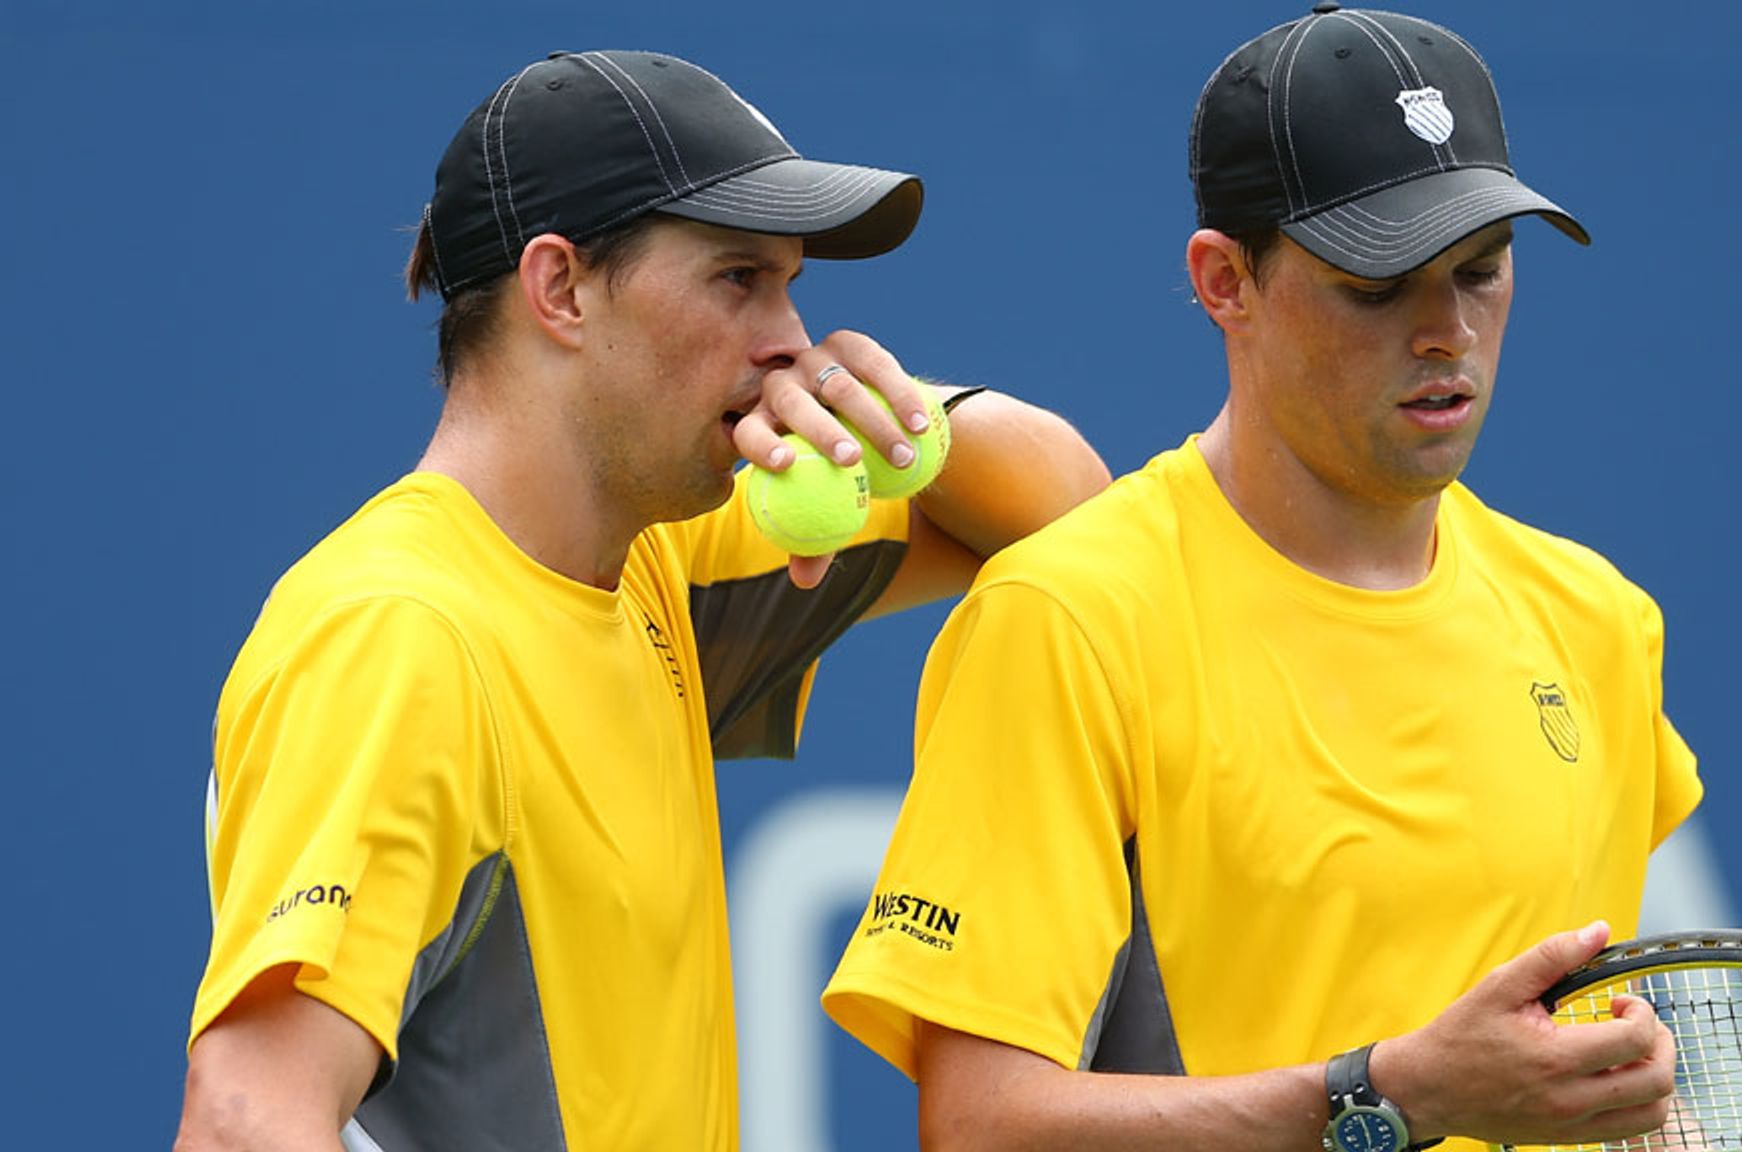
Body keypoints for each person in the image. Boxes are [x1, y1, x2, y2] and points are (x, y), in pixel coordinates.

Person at [174, 48, 1109, 1152]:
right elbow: (241, 1120)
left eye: (789, 285)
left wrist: (896, 429)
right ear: (560, 289)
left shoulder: (654, 559)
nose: (790, 340)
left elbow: (1065, 512)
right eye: (737, 279)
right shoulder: (398, 636)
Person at [822, 8, 1703, 1152]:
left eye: (1480, 271)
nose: (1445, 331)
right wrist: (1384, 1097)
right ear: (1224, 281)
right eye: (1377, 286)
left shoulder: (1596, 621)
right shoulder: (1068, 619)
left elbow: (1579, 1083)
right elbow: (981, 1127)